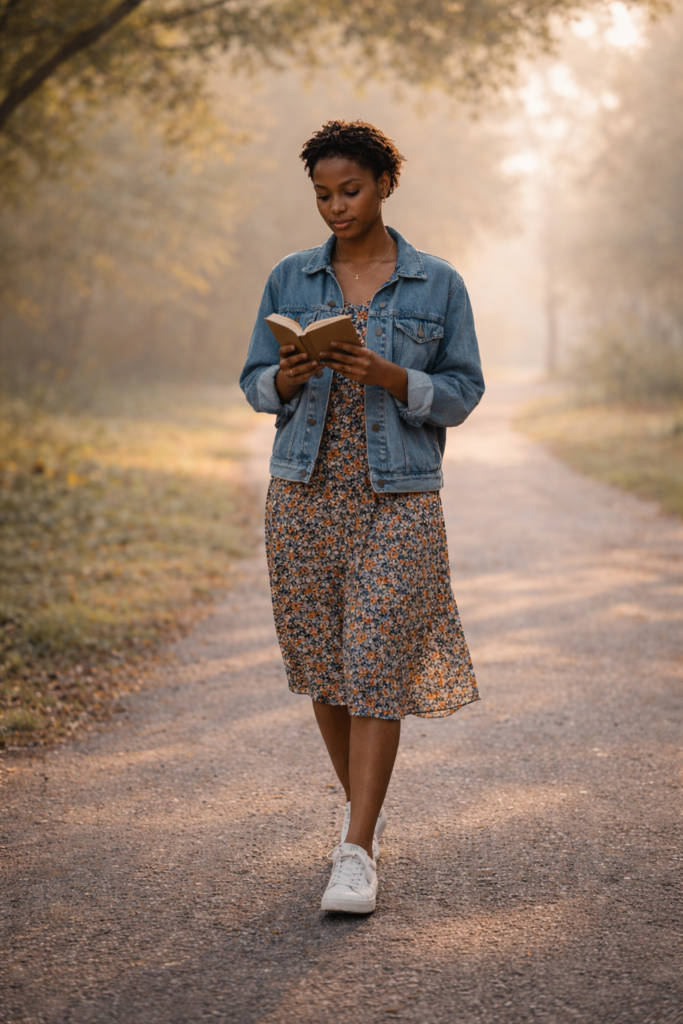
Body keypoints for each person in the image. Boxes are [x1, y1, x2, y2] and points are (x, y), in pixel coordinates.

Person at [240, 119, 484, 914]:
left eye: (349, 191)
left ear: (384, 184)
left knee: (376, 659)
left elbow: (462, 391)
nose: (335, 207)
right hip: (304, 493)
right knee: (325, 666)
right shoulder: (289, 277)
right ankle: (366, 830)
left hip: (398, 497)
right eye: (321, 195)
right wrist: (286, 376)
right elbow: (251, 383)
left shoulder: (436, 283)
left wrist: (389, 375)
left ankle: (352, 849)